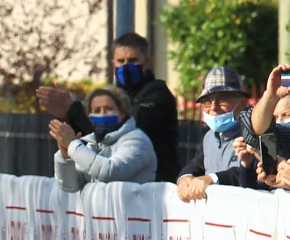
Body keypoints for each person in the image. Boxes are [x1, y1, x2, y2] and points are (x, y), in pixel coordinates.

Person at [37, 33, 179, 183]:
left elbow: (120, 130)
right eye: (121, 61)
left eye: (133, 60)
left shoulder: (157, 93)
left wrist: (72, 112)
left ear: (148, 61)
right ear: (113, 64)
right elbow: (70, 184)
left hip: (156, 186)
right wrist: (65, 150)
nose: (126, 66)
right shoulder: (112, 94)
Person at [48, 85, 156, 192]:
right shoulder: (92, 144)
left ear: (123, 113)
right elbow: (70, 186)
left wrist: (72, 145)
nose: (102, 114)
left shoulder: (138, 140)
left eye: (109, 109)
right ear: (90, 117)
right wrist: (65, 157)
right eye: (96, 110)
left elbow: (110, 172)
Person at [176, 66, 252, 202]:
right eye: (207, 101)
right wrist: (185, 178)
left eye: (222, 99)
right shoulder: (209, 137)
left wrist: (213, 178)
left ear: (242, 103)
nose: (213, 107)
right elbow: (196, 165)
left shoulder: (255, 132)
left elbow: (257, 172)